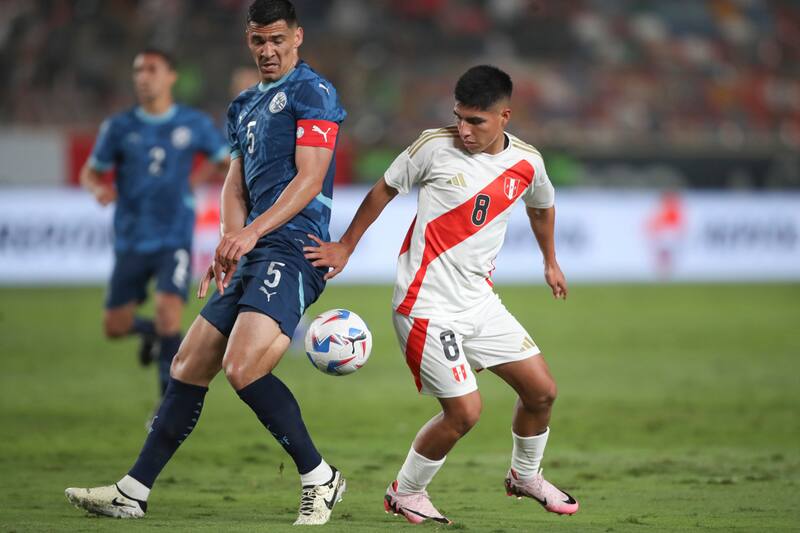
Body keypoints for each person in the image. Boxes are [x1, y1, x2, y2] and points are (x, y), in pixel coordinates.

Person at [66, 0, 347, 526]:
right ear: (248, 40)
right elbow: (233, 184)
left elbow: (309, 179)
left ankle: (320, 477)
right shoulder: (242, 105)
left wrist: (252, 233)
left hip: (293, 246)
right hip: (253, 247)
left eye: (277, 40)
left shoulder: (314, 92)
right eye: (258, 40)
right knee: (187, 365)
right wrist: (226, 242)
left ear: (298, 38)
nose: (268, 50)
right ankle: (133, 491)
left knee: (242, 368)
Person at [305, 65, 579, 525]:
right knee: (464, 412)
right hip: (424, 306)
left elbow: (542, 204)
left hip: (480, 302)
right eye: (460, 118)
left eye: (477, 122)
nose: (465, 131)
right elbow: (382, 191)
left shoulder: (528, 162)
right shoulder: (433, 147)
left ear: (505, 116)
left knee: (542, 392)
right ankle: (405, 492)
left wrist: (549, 260)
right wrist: (347, 244)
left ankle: (525, 476)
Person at [80, 48, 229, 397]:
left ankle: (167, 407)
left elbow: (226, 161)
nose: (143, 77)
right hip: (131, 237)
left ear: (171, 76)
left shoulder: (192, 124)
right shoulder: (118, 127)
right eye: (138, 70)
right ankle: (149, 334)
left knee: (168, 315)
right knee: (115, 326)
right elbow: (91, 170)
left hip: (173, 235)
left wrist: (198, 177)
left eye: (151, 69)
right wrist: (97, 188)